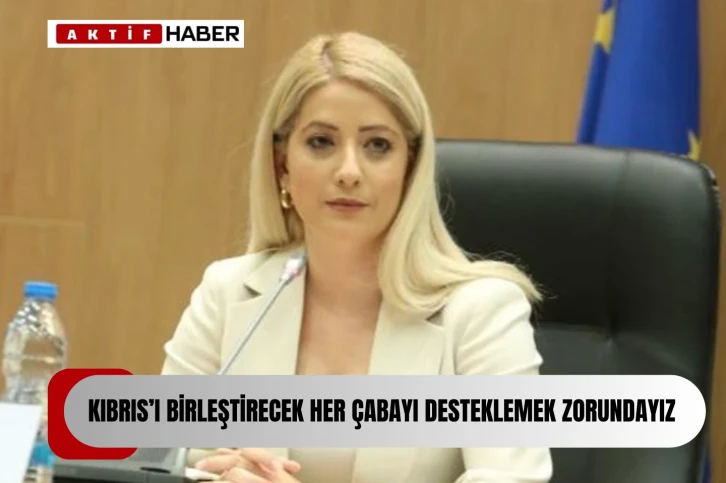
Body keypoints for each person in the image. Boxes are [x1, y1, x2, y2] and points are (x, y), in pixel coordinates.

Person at [160, 31, 553, 483]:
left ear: (410, 168)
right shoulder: (229, 294)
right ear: (283, 164)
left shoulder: (480, 312)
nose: (349, 172)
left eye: (377, 145)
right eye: (321, 142)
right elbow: (160, 459)